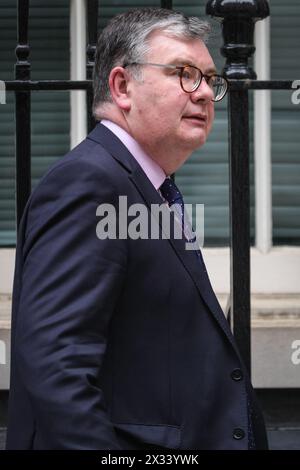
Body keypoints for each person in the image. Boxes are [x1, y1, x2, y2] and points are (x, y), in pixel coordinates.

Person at [6, 8, 268, 450]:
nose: (205, 93)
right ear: (122, 86)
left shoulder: (147, 184)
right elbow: (56, 368)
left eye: (209, 78)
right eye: (184, 74)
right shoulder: (90, 183)